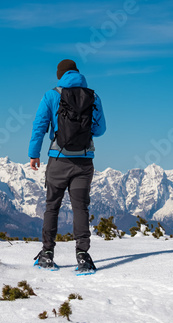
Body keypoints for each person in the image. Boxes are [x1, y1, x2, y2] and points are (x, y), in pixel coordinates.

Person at [29, 59, 106, 273]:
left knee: (52, 207)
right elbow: (100, 130)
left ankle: (47, 254)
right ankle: (83, 256)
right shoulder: (93, 96)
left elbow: (39, 126)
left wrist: (33, 154)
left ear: (59, 75)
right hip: (84, 162)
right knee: (80, 208)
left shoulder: (51, 95)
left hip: (58, 160)